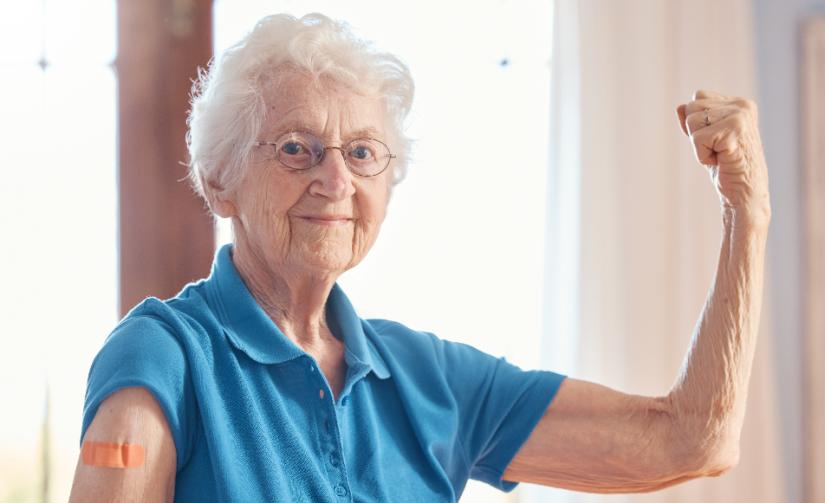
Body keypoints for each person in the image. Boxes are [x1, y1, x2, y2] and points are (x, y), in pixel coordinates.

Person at [69, 12, 771, 502]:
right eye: (294, 147)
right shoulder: (161, 355)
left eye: (363, 152)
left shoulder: (430, 381)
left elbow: (692, 440)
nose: (336, 180)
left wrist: (747, 214)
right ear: (218, 177)